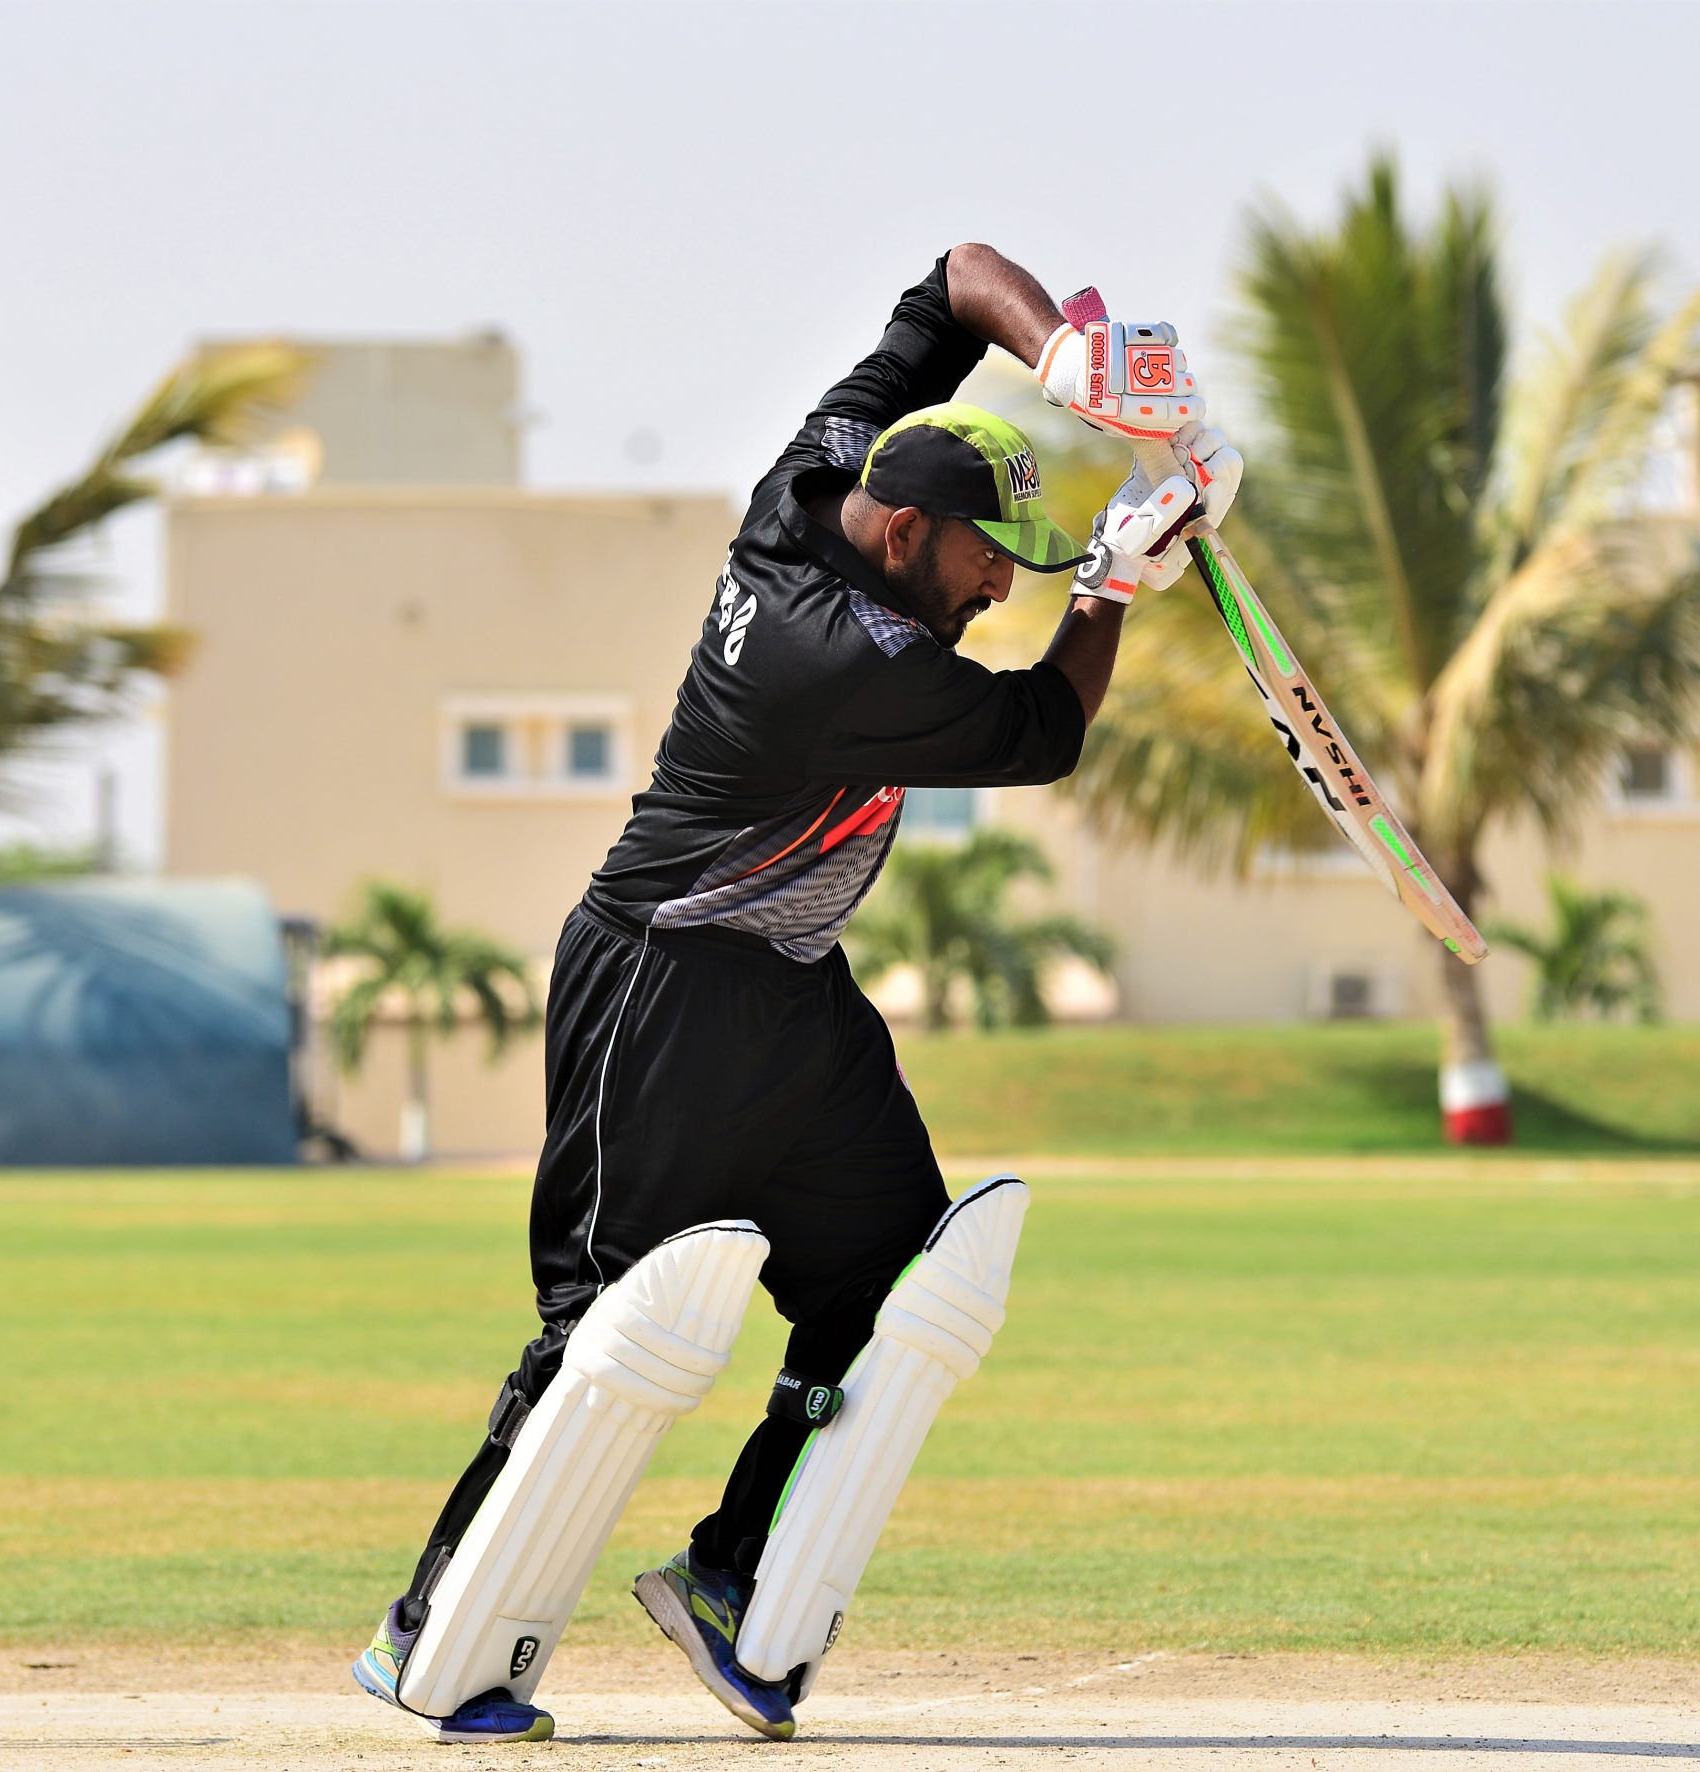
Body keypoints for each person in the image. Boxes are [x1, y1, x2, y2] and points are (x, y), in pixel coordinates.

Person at [353, 244, 1240, 1743]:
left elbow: (952, 281)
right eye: (986, 563)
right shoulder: (836, 661)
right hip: (660, 986)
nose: (995, 590)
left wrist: (1066, 360)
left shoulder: (820, 473)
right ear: (905, 531)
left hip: (788, 995)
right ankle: (429, 1630)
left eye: (1018, 572)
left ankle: (737, 1577)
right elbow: (1043, 733)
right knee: (602, 1328)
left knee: (892, 1288)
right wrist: (1107, 588)